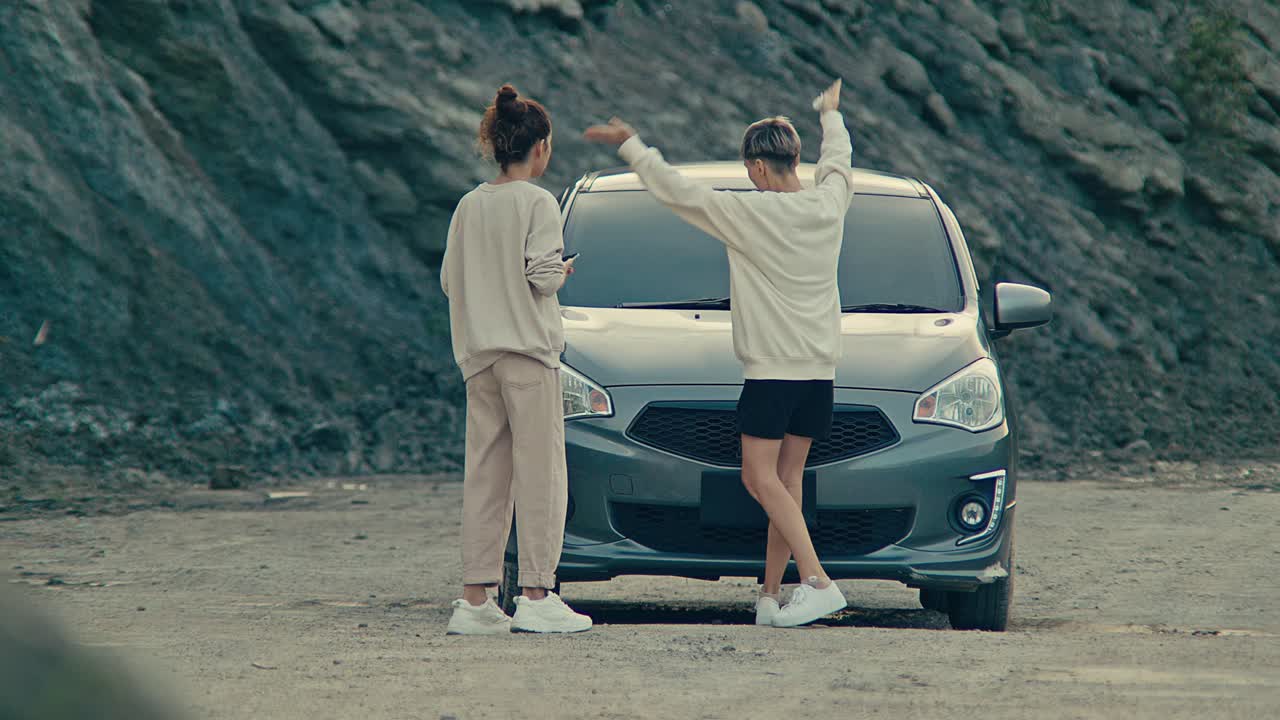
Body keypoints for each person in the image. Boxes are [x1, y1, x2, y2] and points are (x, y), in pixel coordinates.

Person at [584, 79, 854, 628]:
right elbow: (840, 164)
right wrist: (831, 115)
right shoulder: (831, 206)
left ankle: (819, 582)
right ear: (793, 159)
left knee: (759, 480)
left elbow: (676, 191)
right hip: (819, 372)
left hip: (772, 374)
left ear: (757, 169)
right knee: (788, 482)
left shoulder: (749, 214)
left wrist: (632, 144)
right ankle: (772, 596)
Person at [440, 84, 591, 635]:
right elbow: (542, 276)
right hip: (528, 356)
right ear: (541, 147)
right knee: (541, 475)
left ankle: (476, 600)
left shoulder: (468, 205)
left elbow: (448, 281)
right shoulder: (538, 201)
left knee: (486, 475)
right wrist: (563, 271)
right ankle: (535, 594)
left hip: (479, 358)